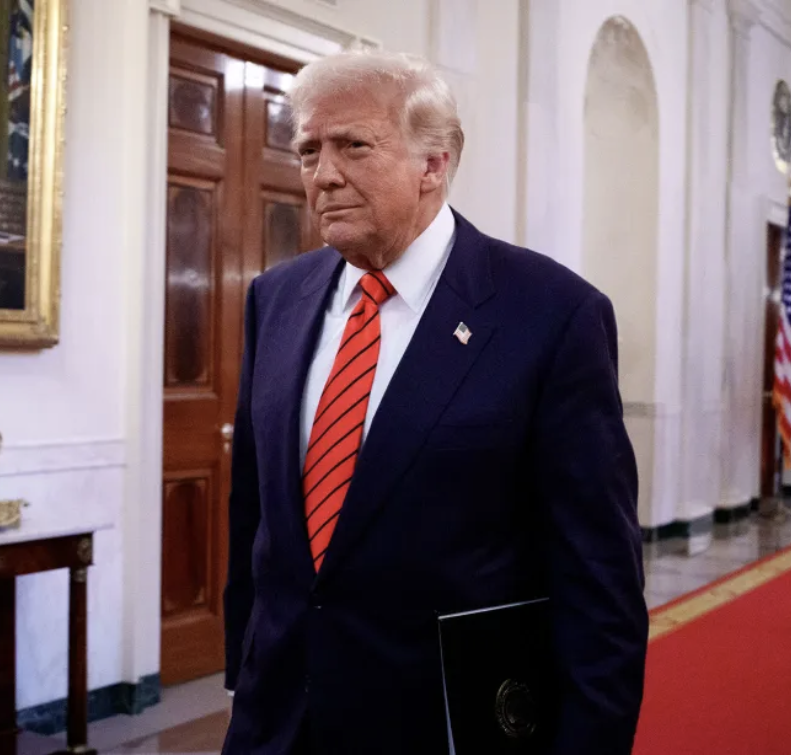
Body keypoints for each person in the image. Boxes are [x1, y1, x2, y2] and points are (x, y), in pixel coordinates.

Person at [222, 49, 648, 754]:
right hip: (280, 723)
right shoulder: (277, 299)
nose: (323, 175)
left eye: (353, 146)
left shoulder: (549, 315)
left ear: (434, 164)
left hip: (446, 725)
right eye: (307, 151)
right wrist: (245, 674)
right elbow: (256, 522)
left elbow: (598, 579)